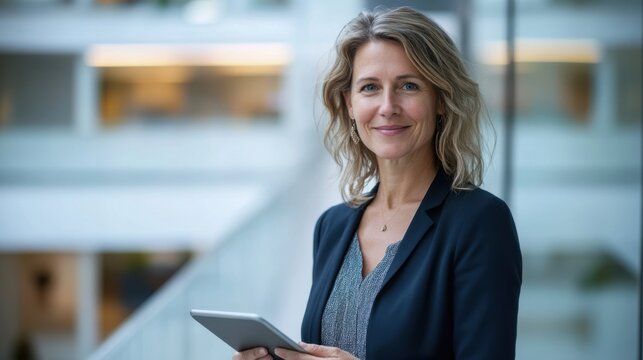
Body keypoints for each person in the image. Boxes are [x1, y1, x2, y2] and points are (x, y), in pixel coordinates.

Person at [234, 6, 522, 360]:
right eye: (370, 87)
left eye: (409, 86)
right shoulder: (332, 227)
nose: (388, 106)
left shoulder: (480, 222)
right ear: (350, 104)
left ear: (441, 100)